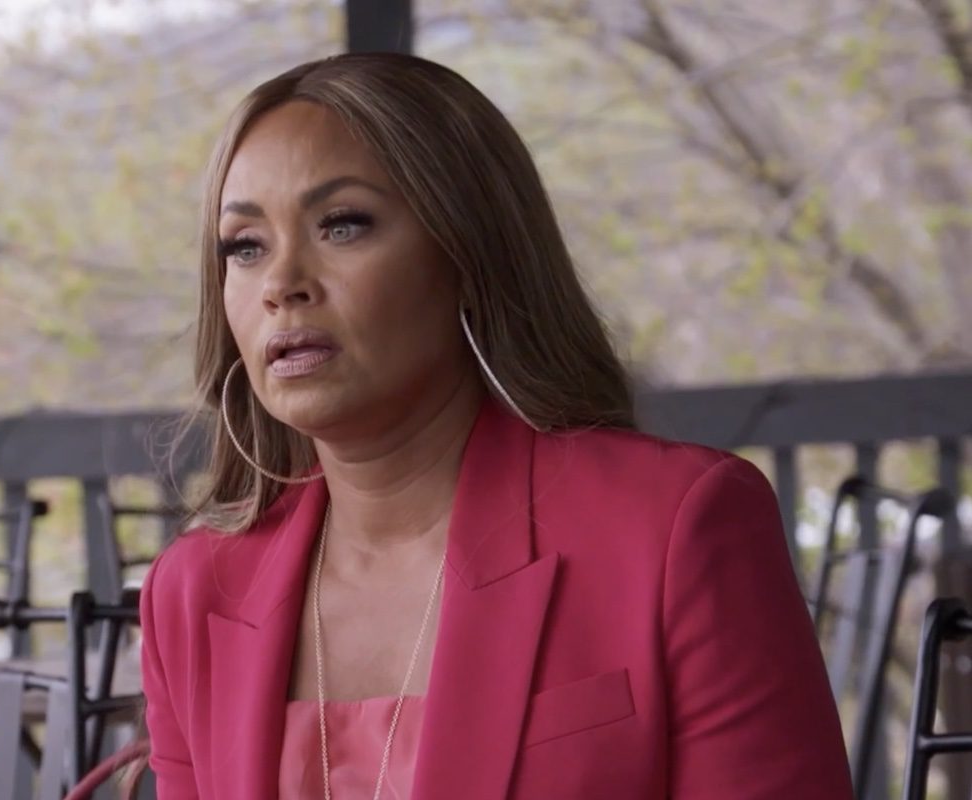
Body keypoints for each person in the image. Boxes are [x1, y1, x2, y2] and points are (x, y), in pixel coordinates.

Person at [139, 52, 853, 800]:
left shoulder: (677, 525)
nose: (282, 284)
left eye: (343, 225)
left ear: (471, 255)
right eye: (245, 247)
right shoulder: (192, 594)